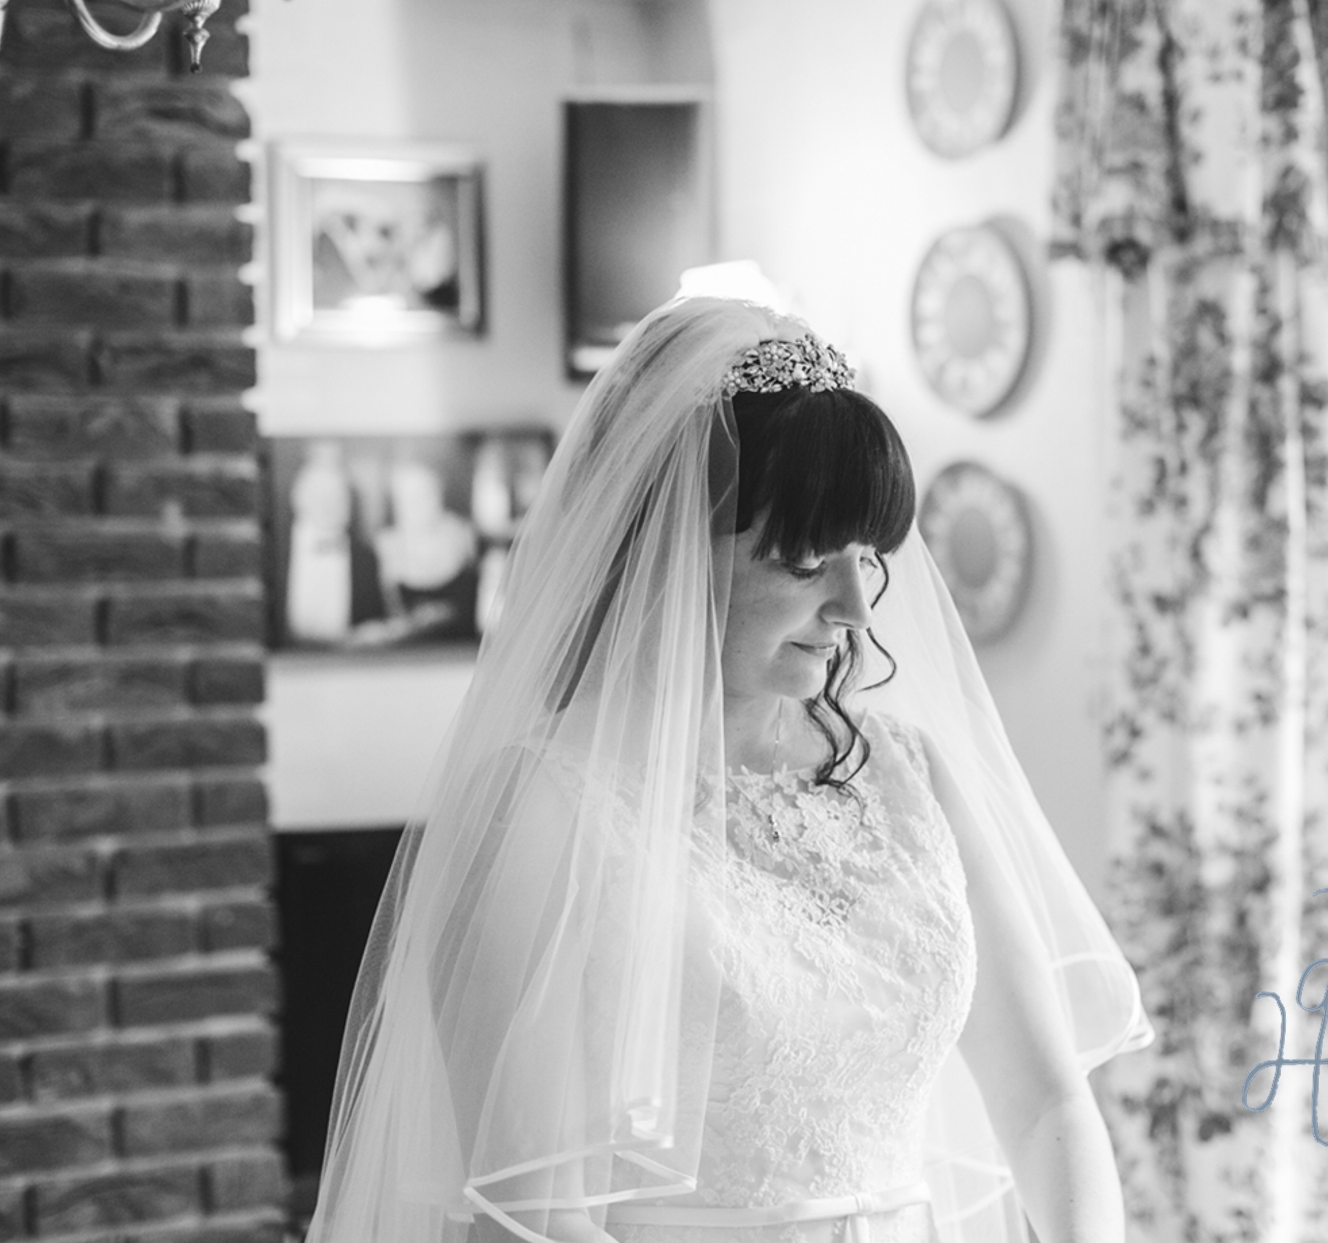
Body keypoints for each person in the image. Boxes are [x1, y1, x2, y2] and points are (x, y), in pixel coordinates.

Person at [305, 297, 1152, 1243]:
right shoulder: (536, 803)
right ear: (663, 550)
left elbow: (1045, 1103)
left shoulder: (911, 774)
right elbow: (527, 1220)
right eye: (800, 564)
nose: (854, 612)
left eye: (863, 559)